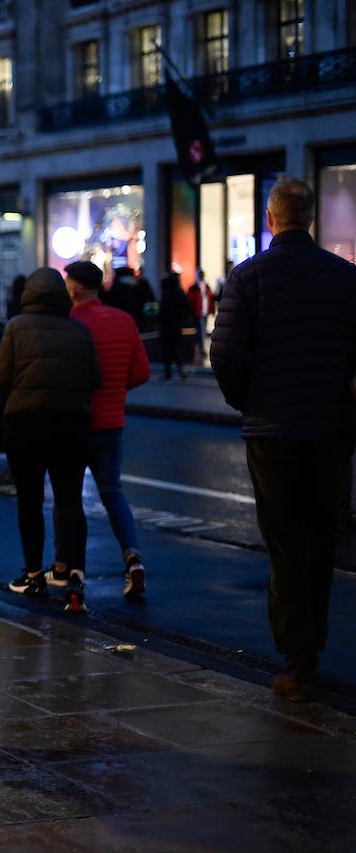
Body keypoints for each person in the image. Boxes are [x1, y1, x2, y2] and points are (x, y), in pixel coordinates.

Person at [211, 177, 356, 702]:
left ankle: (296, 658)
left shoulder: (249, 277)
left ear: (271, 220)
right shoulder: (345, 277)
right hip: (330, 429)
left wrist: (248, 401)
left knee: (284, 543)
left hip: (272, 432)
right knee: (322, 540)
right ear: (311, 219)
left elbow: (225, 355)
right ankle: (311, 646)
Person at [0, 267, 100, 612]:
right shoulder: (79, 332)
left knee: (29, 500)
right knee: (69, 499)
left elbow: (2, 378)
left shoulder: (15, 328)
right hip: (71, 424)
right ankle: (67, 573)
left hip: (25, 424)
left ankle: (32, 574)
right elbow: (94, 379)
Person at [65, 261, 151, 598]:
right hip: (111, 422)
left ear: (74, 288)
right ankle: (132, 557)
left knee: (70, 498)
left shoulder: (71, 323)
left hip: (76, 421)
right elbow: (142, 372)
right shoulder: (123, 320)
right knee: (112, 492)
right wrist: (116, 390)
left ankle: (72, 569)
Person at [158, 272, 192, 380]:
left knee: (167, 350)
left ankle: (169, 373)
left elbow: (162, 312)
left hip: (166, 326)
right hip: (176, 325)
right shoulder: (179, 293)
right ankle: (180, 370)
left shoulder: (166, 294)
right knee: (174, 349)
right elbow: (186, 308)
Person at [186, 269, 216, 365]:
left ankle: (199, 347)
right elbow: (190, 301)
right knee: (201, 330)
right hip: (198, 313)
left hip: (204, 312)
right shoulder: (194, 287)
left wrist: (211, 310)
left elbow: (210, 298)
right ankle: (201, 349)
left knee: (201, 330)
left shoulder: (206, 287)